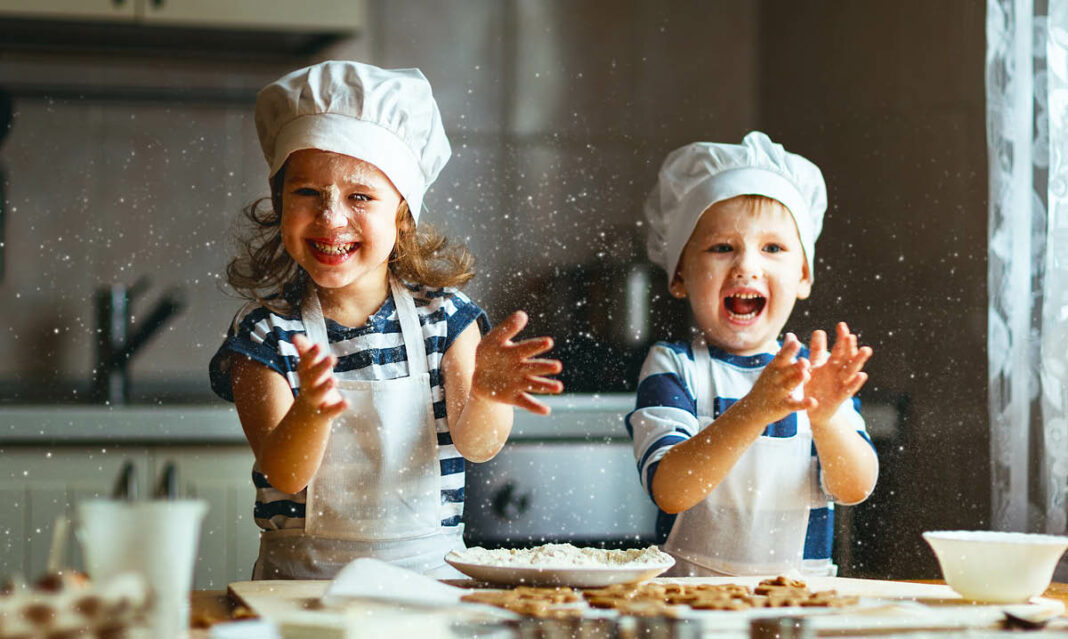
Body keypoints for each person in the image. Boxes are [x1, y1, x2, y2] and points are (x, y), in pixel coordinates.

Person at [209, 61, 563, 580]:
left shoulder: (446, 319)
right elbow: (285, 474)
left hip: (431, 584)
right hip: (302, 591)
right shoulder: (265, 336)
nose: (331, 217)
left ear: (402, 213)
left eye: (360, 197)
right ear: (279, 203)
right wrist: (310, 411)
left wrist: (486, 393)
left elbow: (477, 446)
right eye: (307, 192)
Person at [628, 131, 878, 577]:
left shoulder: (815, 375)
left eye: (773, 249)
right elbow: (670, 489)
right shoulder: (674, 367)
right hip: (690, 607)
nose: (747, 265)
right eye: (722, 247)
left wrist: (824, 418)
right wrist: (753, 411)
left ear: (803, 275)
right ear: (680, 273)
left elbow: (855, 487)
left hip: (800, 607)